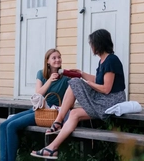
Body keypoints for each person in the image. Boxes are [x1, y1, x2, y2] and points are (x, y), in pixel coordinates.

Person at [31, 29, 126, 159]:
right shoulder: (103, 60)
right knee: (74, 113)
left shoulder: (111, 60)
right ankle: (52, 148)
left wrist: (85, 83)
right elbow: (98, 80)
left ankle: (58, 121)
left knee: (75, 83)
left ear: (98, 44)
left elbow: (106, 89)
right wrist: (82, 74)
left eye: (92, 43)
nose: (91, 46)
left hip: (111, 100)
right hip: (103, 99)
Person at [0, 48, 71, 161]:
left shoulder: (66, 78)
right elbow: (38, 94)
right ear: (47, 61)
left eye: (59, 57)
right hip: (38, 108)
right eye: (54, 58)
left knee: (12, 126)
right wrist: (50, 80)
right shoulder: (41, 74)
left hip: (50, 112)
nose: (57, 60)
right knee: (3, 125)